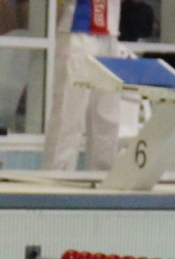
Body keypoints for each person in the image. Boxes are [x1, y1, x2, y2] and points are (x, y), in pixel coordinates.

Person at [42, 0, 121, 172]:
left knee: (107, 115)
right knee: (69, 112)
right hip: (77, 29)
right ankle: (55, 176)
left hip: (109, 31)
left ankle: (102, 178)